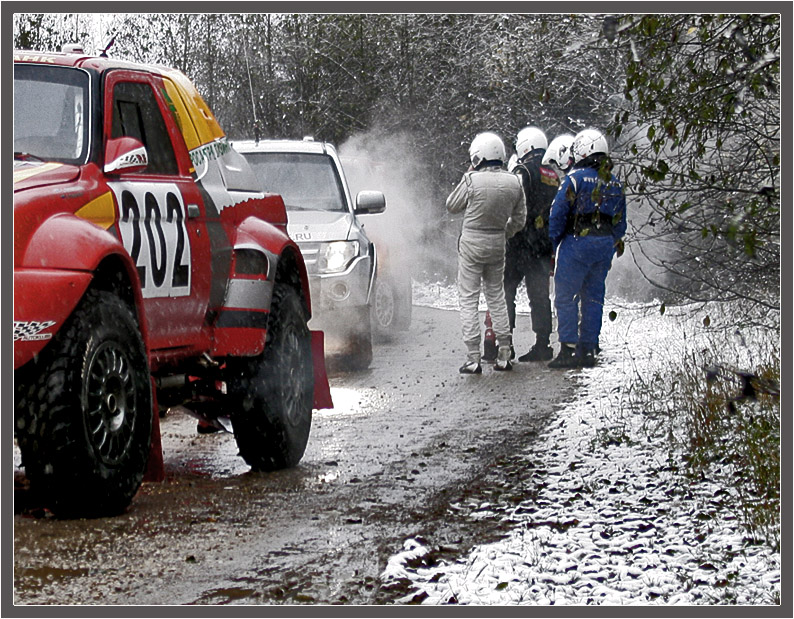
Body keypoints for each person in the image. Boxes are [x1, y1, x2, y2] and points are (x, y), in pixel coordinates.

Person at [446, 132, 526, 374]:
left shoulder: (472, 180)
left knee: (469, 299)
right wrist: (504, 233)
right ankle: (504, 352)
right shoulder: (515, 182)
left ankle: (473, 357)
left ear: (478, 156)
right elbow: (520, 219)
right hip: (497, 243)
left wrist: (468, 174)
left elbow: (452, 205)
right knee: (496, 297)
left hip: (471, 243)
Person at [547, 128, 627, 368]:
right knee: (594, 297)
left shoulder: (574, 178)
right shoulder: (615, 182)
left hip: (577, 242)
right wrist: (610, 244)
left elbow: (558, 213)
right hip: (604, 244)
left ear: (582, 150)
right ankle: (589, 349)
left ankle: (568, 349)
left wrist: (554, 243)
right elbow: (620, 222)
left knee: (566, 295)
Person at [504, 126, 560, 362]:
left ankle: (505, 343)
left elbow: (513, 201)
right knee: (539, 296)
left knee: (506, 291)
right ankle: (543, 343)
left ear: (524, 145)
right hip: (543, 243)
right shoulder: (553, 174)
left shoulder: (522, 170)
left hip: (519, 241)